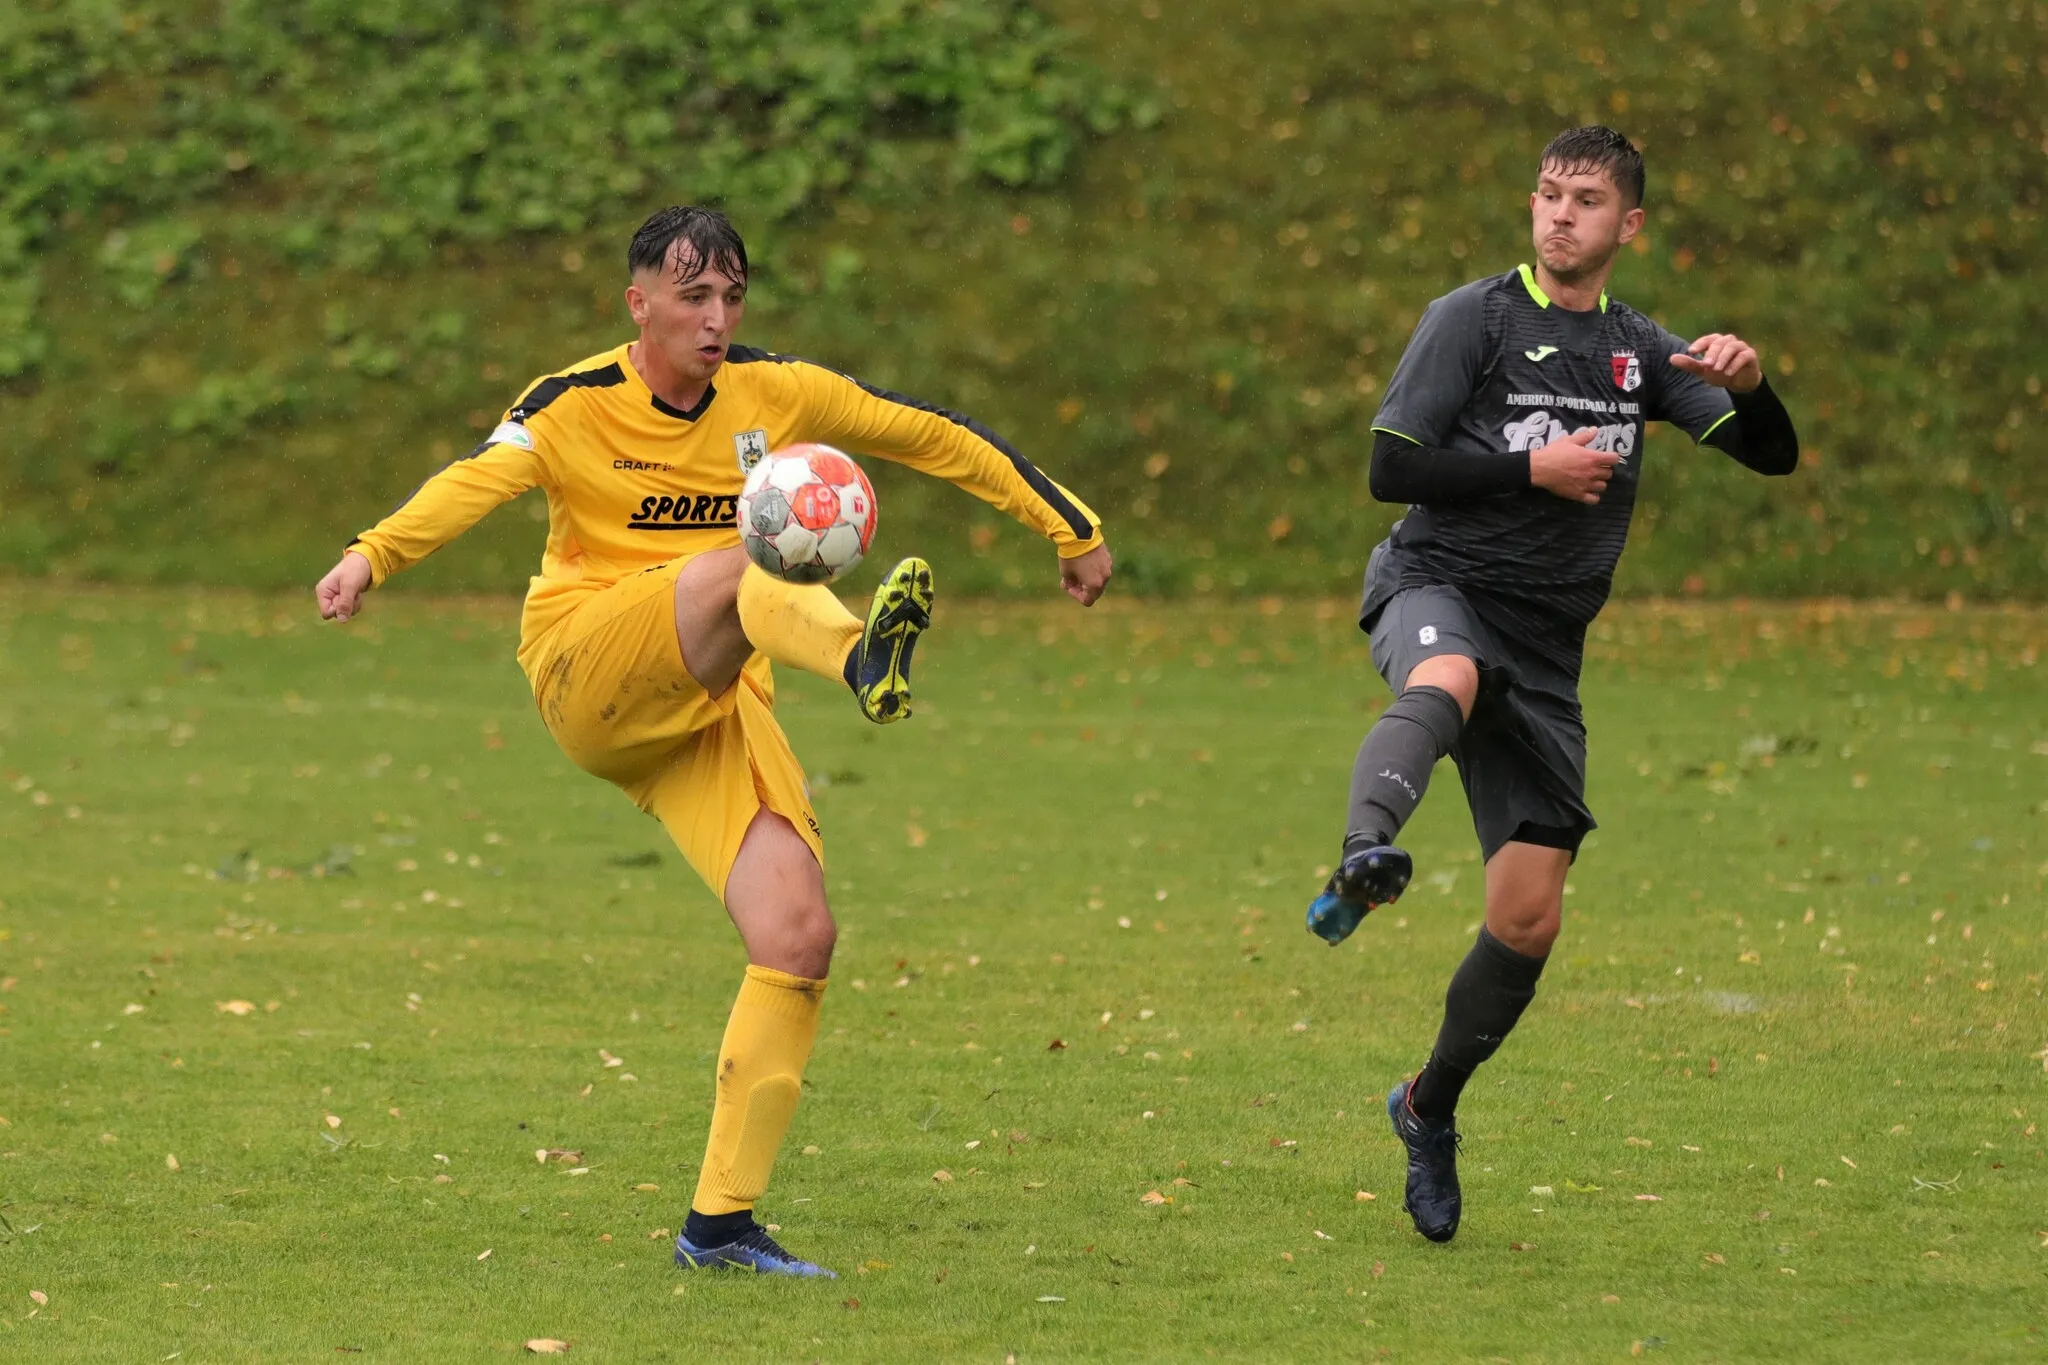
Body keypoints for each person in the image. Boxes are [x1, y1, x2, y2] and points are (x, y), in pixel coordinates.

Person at [315, 206, 1113, 1277]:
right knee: (752, 551)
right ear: (637, 302)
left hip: (712, 702)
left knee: (798, 934)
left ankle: (720, 1227)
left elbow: (930, 431)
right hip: (588, 667)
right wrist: (371, 555)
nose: (716, 319)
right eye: (692, 296)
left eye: (731, 296)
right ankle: (859, 658)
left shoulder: (775, 391)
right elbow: (474, 479)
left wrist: (1070, 522)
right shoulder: (570, 403)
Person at [1305, 128, 1798, 1243]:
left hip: (1544, 654)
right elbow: (1390, 466)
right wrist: (1531, 466)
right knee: (1445, 671)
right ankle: (1364, 852)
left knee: (1526, 920)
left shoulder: (1638, 350)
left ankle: (1426, 1107)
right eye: (1546, 194)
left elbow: (1768, 454)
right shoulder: (1472, 319)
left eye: (1584, 200)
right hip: (1436, 583)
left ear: (1629, 225)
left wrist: (1752, 386)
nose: (1558, 214)